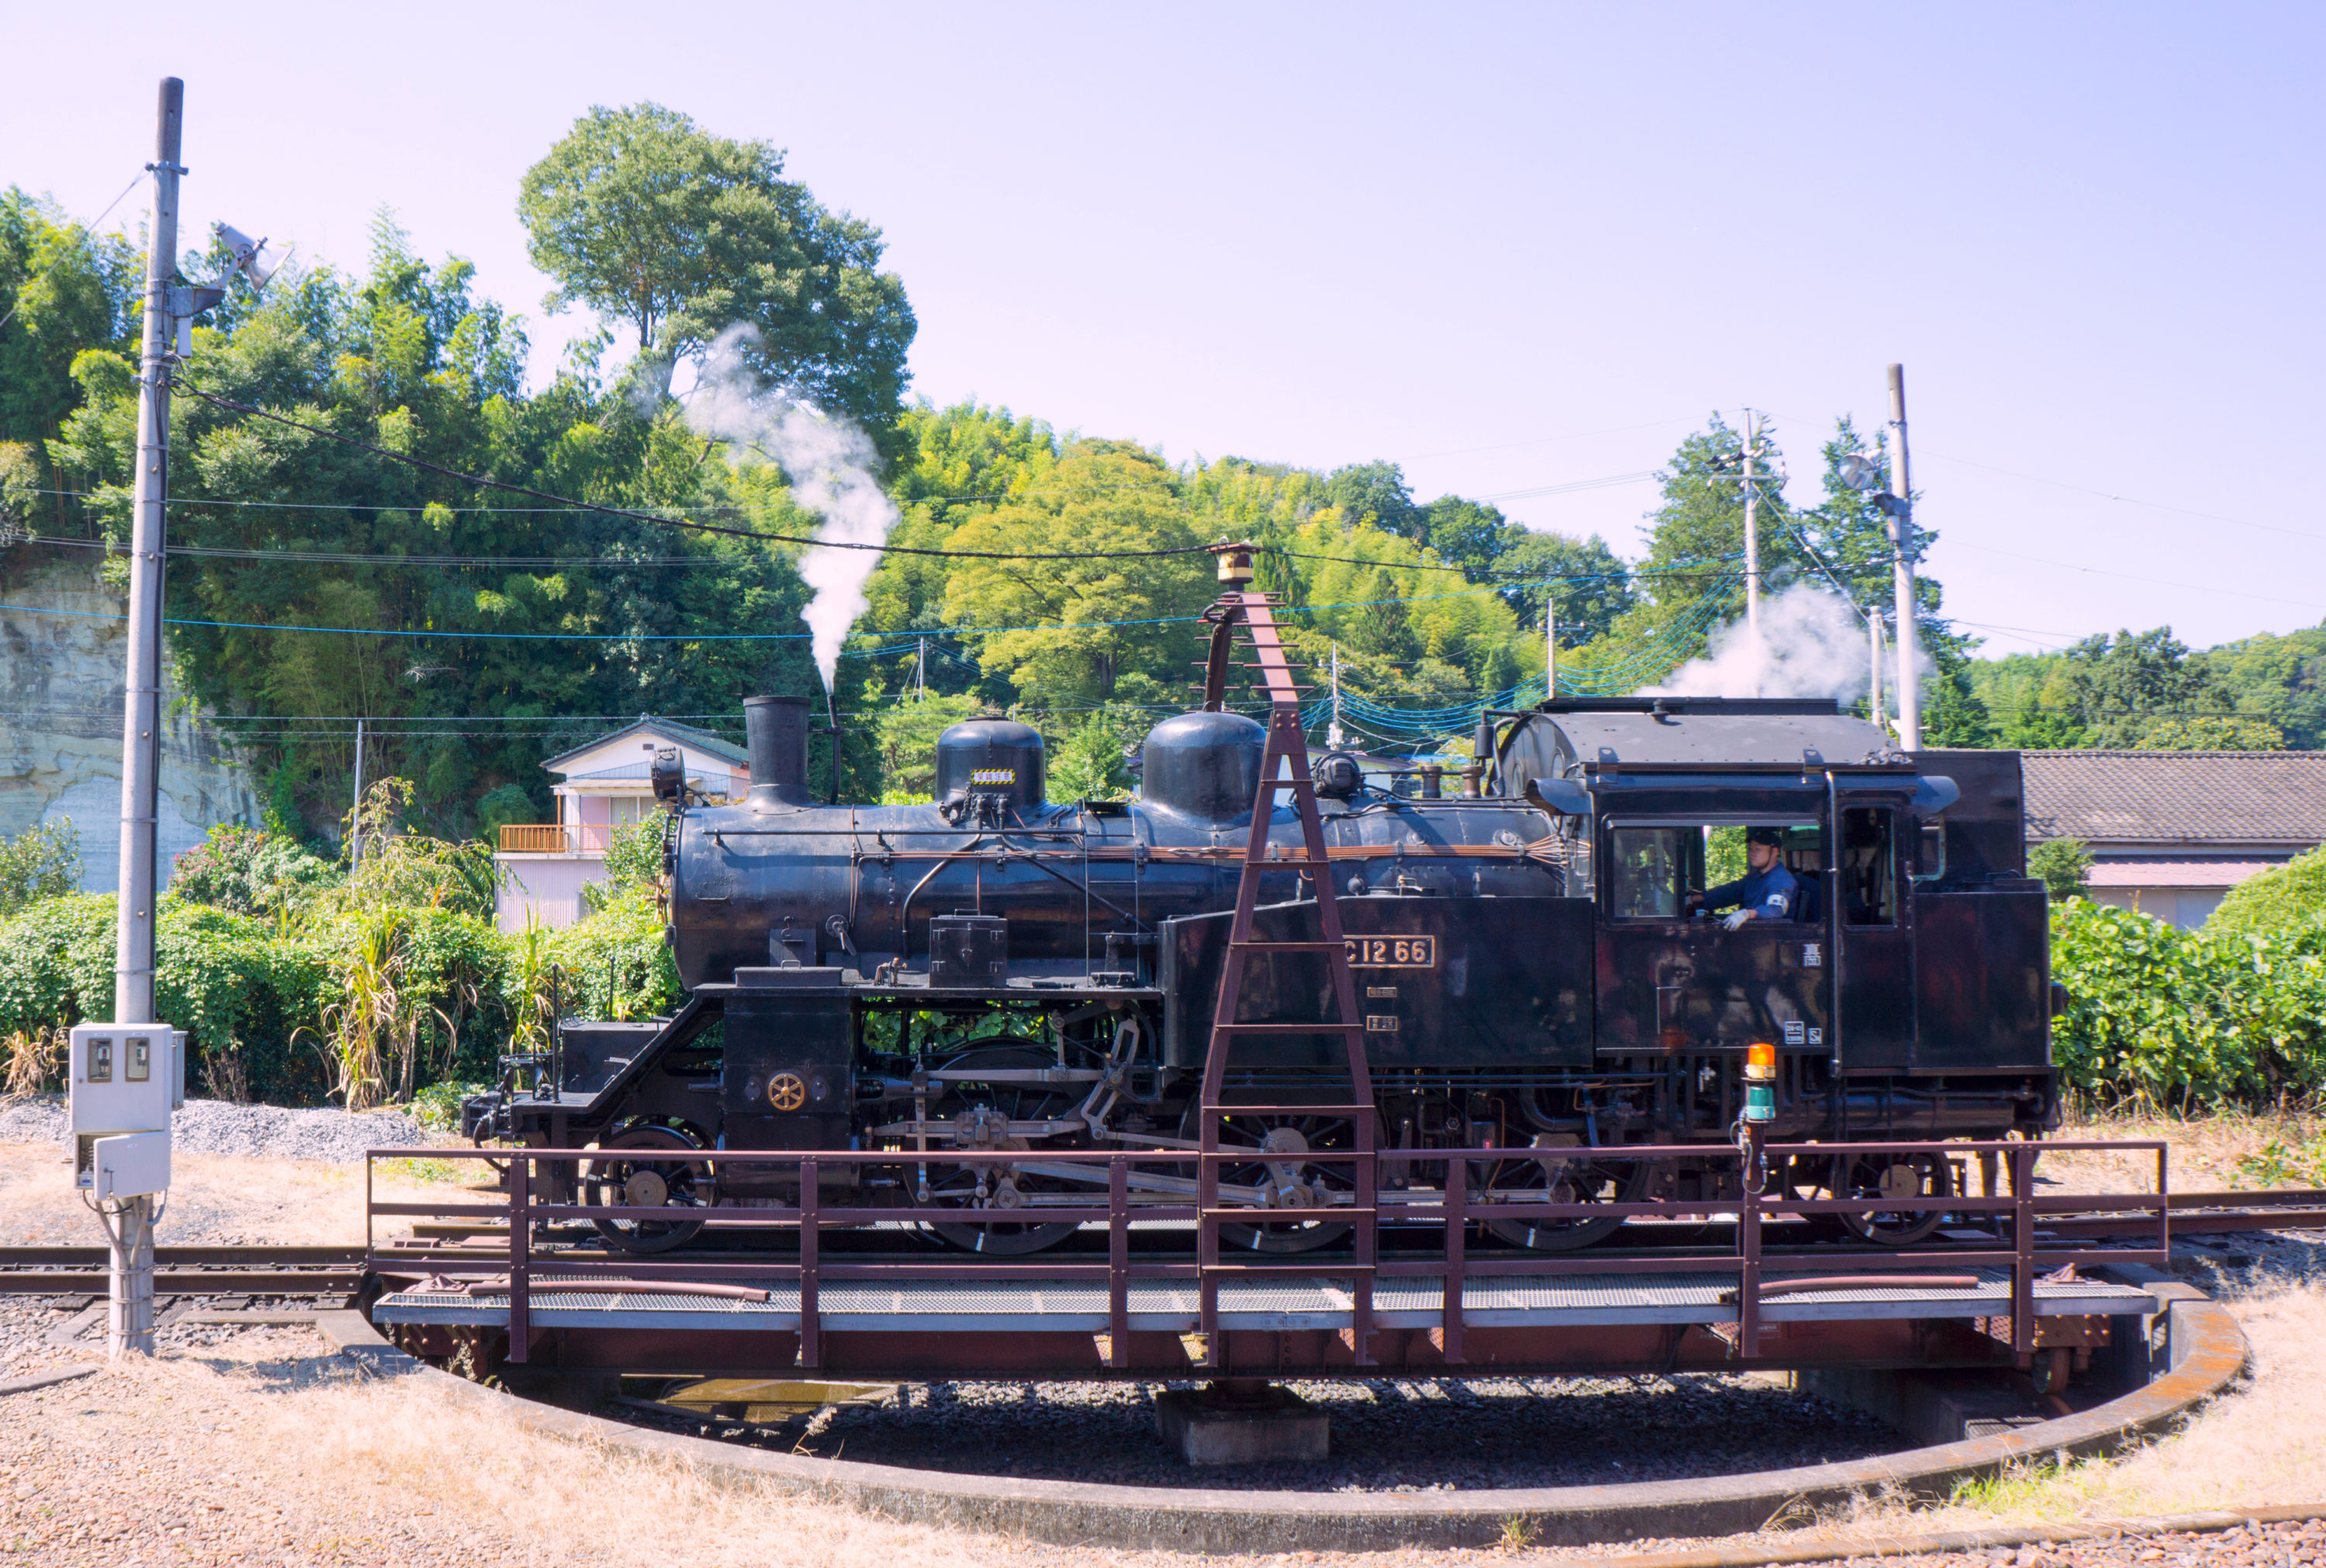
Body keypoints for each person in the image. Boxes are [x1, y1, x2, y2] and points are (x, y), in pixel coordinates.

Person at [1687, 827, 1800, 930]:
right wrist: (1694, 899)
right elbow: (1728, 893)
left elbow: (1776, 910)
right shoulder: (1754, 877)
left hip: (1771, 939)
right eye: (1751, 849)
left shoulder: (1781, 880)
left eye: (1758, 849)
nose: (1752, 853)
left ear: (1775, 852)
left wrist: (1747, 914)